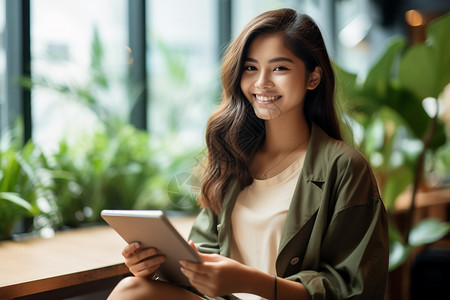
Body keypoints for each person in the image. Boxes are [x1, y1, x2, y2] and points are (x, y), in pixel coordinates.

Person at [108, 8, 388, 300]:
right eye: (251, 68)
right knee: (133, 289)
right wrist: (153, 264)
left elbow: (354, 289)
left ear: (313, 77)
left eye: (279, 68)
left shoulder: (344, 167)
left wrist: (251, 281)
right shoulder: (233, 154)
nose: (261, 83)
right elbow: (201, 251)